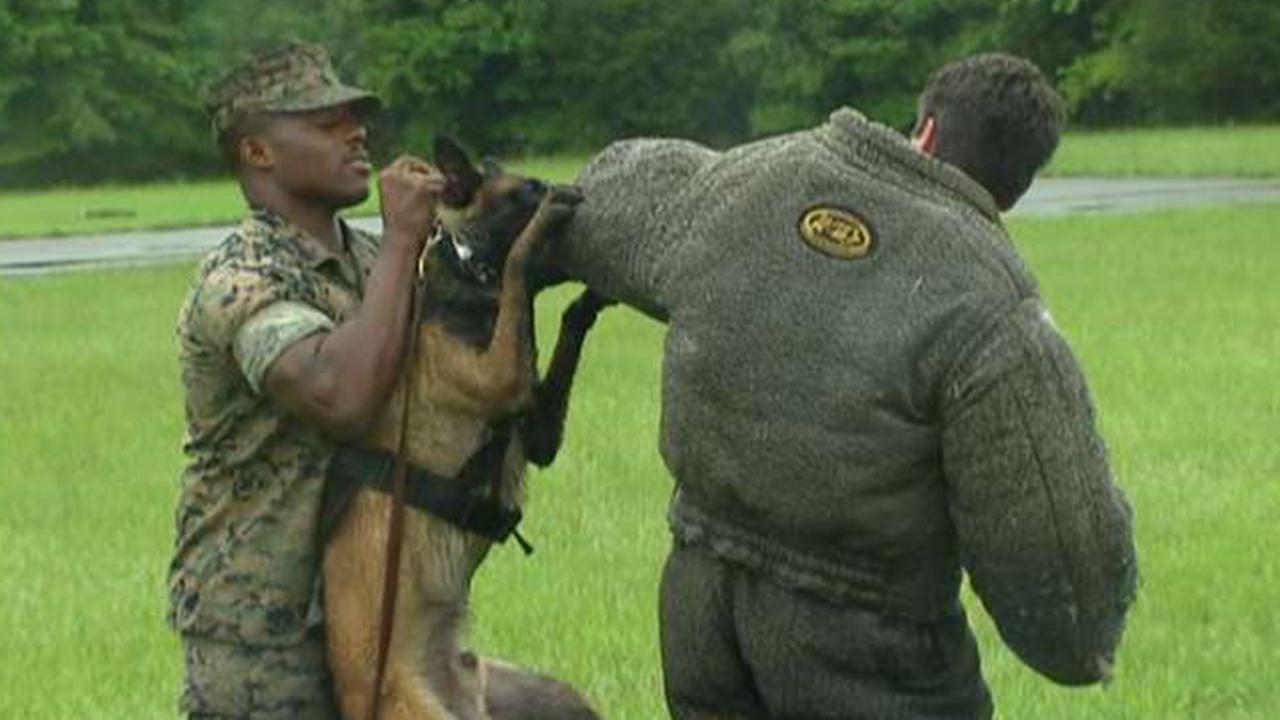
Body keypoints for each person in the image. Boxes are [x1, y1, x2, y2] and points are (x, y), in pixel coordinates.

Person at [558, 53, 1138, 719]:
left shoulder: (756, 177)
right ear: (1014, 191)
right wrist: (1086, 645)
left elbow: (606, 199)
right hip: (872, 650)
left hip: (701, 616)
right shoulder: (990, 299)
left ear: (925, 129)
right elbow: (1062, 572)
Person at [168, 43, 442, 719]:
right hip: (263, 631)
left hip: (377, 607)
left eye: (355, 118)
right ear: (257, 152)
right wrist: (403, 245)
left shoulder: (372, 262)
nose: (357, 134)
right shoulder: (238, 278)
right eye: (326, 124)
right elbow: (340, 396)